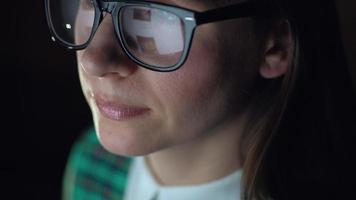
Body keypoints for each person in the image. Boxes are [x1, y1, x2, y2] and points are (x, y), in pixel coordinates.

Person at [45, 0, 356, 199]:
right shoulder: (93, 164)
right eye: (87, 1)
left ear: (275, 45)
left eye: (154, 16)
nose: (93, 59)